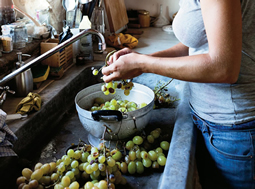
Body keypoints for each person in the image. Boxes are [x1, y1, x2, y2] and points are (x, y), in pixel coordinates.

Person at [102, 0, 255, 188]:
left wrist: (143, 64)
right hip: (213, 124)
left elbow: (223, 68)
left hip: (235, 131)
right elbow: (195, 44)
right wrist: (146, 59)